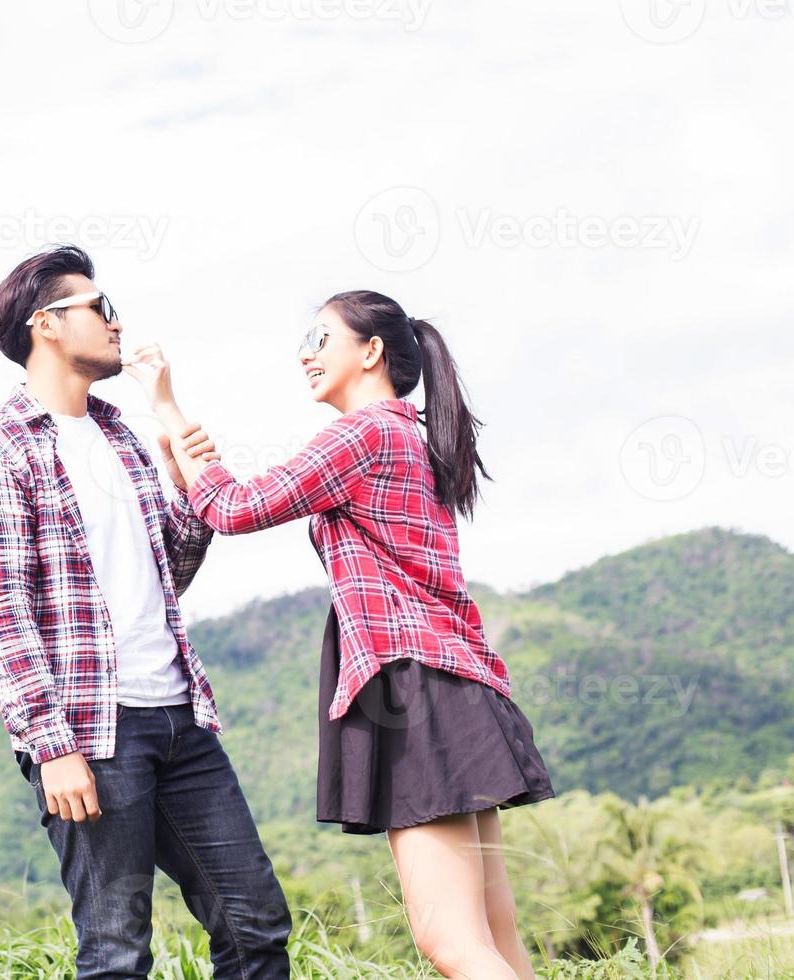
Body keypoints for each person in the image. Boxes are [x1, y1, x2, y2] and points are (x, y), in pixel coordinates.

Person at [135, 291, 556, 980]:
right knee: (493, 937)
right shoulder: (406, 435)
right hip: (456, 689)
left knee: (449, 941)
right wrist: (184, 454)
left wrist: (165, 404)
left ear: (370, 351)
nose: (306, 352)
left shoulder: (361, 435)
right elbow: (223, 497)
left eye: (320, 336)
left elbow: (236, 508)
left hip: (413, 692)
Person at [0, 244, 291, 979]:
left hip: (180, 718)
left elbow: (167, 575)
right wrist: (52, 746)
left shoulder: (121, 438)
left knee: (255, 923)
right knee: (115, 951)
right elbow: (0, 609)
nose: (116, 323)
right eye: (100, 308)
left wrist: (182, 486)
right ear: (46, 324)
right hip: (91, 733)